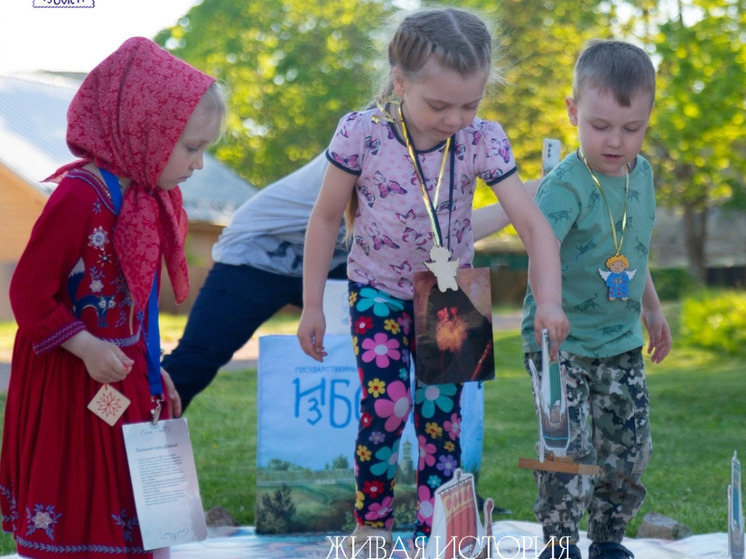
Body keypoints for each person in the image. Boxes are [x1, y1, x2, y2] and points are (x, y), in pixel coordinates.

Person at [296, 6, 568, 552]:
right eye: (439, 104)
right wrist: (311, 306)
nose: (456, 118)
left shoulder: (484, 140)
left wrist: (551, 302)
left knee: (441, 419)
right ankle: (371, 526)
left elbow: (535, 228)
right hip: (377, 289)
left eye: (471, 103)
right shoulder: (362, 132)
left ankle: (437, 532)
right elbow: (325, 217)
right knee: (387, 406)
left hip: (451, 294)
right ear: (400, 81)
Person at [0, 37, 224, 559]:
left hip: (124, 369)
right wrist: (84, 347)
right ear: (144, 132)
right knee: (80, 481)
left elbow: (138, 301)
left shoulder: (149, 198)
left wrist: (151, 367)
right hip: (75, 375)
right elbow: (28, 292)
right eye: (191, 148)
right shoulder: (79, 196)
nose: (197, 164)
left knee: (139, 494)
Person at [161, 152, 535, 413]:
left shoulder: (465, 145)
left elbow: (446, 236)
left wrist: (521, 200)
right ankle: (131, 455)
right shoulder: (368, 138)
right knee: (196, 361)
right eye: (440, 105)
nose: (452, 117)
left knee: (447, 303)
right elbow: (422, 235)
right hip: (259, 255)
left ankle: (451, 479)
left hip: (350, 257)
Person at [520, 39, 672, 559]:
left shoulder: (643, 176)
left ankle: (608, 540)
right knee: (570, 450)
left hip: (621, 341)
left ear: (648, 118)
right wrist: (550, 304)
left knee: (629, 450)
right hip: (561, 343)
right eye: (600, 126)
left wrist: (651, 307)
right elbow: (541, 248)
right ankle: (559, 544)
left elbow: (632, 249)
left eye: (632, 129)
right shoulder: (565, 186)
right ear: (572, 112)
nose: (616, 142)